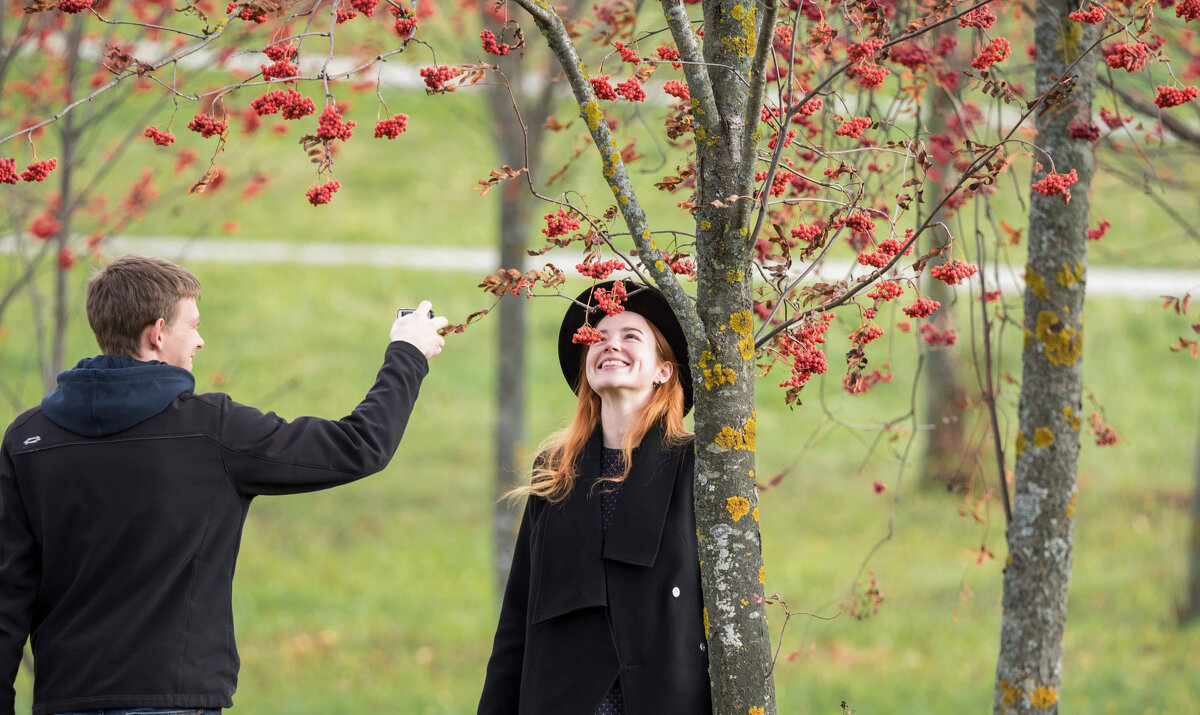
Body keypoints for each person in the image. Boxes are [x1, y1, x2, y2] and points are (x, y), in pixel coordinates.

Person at [0, 254, 447, 715]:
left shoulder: (28, 439)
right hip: (174, 701)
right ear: (157, 332)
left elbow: (8, 595)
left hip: (64, 701)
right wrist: (408, 354)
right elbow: (358, 445)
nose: (200, 340)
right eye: (192, 325)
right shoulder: (212, 430)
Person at [478, 279, 711, 714]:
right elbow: (517, 616)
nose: (610, 345)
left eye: (630, 336)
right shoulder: (554, 470)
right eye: (598, 337)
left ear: (664, 369)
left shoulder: (698, 466)